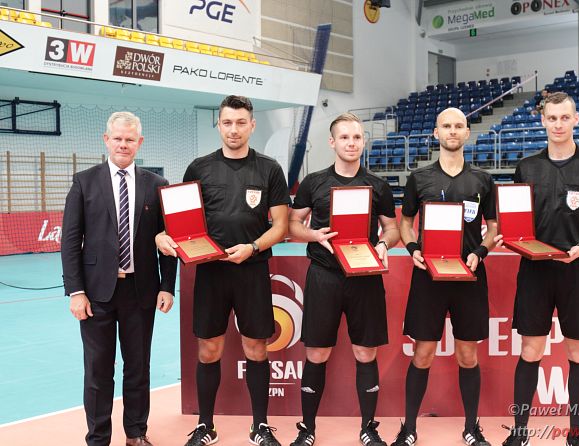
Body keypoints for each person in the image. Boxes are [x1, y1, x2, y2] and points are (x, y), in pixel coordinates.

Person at [156, 96, 290, 446]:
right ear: (218, 124)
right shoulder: (199, 168)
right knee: (208, 350)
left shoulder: (270, 169)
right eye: (227, 122)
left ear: (252, 125)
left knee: (257, 348)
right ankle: (206, 425)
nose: (234, 129)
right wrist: (165, 236)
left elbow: (280, 226)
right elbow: (182, 222)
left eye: (241, 122)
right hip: (211, 273)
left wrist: (253, 247)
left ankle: (260, 426)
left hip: (252, 270)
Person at [501, 92, 579, 446]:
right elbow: (517, 220)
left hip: (577, 269)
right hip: (535, 270)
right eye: (552, 118)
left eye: (564, 117)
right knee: (530, 351)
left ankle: (576, 434)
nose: (558, 124)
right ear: (543, 121)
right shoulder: (526, 167)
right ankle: (520, 432)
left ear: (575, 119)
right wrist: (510, 238)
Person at [61, 111, 178, 446]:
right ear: (106, 140)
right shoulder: (84, 182)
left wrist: (167, 286)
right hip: (96, 293)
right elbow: (70, 240)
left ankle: (136, 433)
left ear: (139, 142)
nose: (123, 144)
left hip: (141, 292)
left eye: (129, 139)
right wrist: (76, 291)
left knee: (138, 368)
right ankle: (98, 438)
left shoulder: (157, 185)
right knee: (98, 370)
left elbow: (167, 241)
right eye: (117, 138)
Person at [288, 113, 400, 446]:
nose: (351, 143)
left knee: (365, 352)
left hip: (364, 277)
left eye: (357, 137)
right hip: (324, 275)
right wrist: (313, 235)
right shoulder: (314, 182)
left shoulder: (378, 185)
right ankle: (307, 429)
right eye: (345, 137)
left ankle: (368, 428)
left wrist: (383, 244)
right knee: (317, 353)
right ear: (332, 142)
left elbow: (392, 229)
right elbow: (292, 225)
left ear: (363, 141)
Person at [390, 108, 499, 446]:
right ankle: (409, 428)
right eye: (446, 126)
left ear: (467, 132)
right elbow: (405, 223)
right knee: (422, 353)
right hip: (429, 278)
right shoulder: (419, 178)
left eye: (458, 126)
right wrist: (412, 248)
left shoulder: (483, 180)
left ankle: (471, 427)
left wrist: (480, 252)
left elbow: (494, 228)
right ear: (436, 133)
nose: (452, 131)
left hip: (469, 276)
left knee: (468, 355)